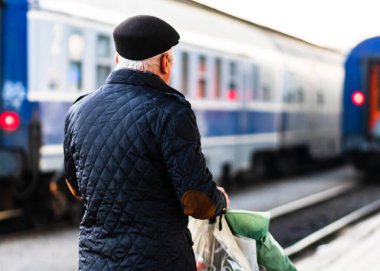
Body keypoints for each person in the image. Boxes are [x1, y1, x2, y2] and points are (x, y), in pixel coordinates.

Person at [64, 15, 229, 271]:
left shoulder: (78, 110)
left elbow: (75, 186)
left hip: (95, 262)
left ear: (117, 60)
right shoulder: (172, 111)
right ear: (166, 62)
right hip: (159, 261)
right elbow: (196, 200)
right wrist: (219, 200)